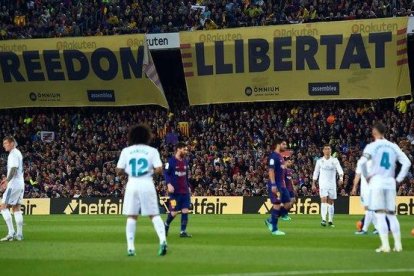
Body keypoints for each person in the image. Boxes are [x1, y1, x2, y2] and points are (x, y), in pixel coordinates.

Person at [358, 122, 411, 253]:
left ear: (374, 132)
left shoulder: (372, 146)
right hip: (390, 183)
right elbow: (407, 163)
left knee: (380, 215)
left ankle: (386, 245)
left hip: (377, 182)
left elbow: (362, 162)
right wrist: (398, 179)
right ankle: (398, 245)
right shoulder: (393, 146)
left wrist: (367, 176)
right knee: (392, 215)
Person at [116, 125, 167, 256]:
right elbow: (160, 169)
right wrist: (150, 171)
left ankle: (131, 248)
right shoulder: (152, 151)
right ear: (147, 136)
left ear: (131, 136)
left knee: (132, 216)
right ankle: (162, 240)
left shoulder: (126, 151)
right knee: (154, 215)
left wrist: (126, 171)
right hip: (147, 183)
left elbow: (119, 171)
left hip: (132, 184)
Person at [264, 138, 293, 236]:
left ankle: (270, 220)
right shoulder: (273, 156)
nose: (285, 146)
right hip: (276, 184)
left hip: (282, 185)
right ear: (278, 144)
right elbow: (271, 171)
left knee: (288, 204)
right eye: (284, 144)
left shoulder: (281, 156)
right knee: (276, 205)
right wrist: (273, 184)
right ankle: (274, 230)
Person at [164, 142, 192, 238]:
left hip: (184, 192)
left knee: (185, 210)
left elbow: (186, 176)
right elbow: (166, 173)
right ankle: (166, 224)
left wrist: (188, 186)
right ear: (178, 149)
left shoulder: (185, 161)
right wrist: (168, 184)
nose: (185, 151)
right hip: (174, 193)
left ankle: (182, 231)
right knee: (174, 212)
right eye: (184, 149)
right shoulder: (170, 161)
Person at [312, 144, 344, 227]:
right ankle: (323, 219)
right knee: (323, 199)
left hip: (332, 184)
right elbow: (316, 172)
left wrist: (341, 178)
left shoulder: (335, 160)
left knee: (331, 202)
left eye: (328, 149)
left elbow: (340, 170)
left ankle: (330, 220)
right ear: (323, 151)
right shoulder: (319, 161)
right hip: (322, 183)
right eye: (325, 149)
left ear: (331, 150)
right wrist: (313, 183)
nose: (327, 150)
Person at [0, 136, 24, 242]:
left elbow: (13, 168)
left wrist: (7, 180)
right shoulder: (18, 153)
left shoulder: (13, 154)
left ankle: (11, 232)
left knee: (3, 207)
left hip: (13, 185)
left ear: (12, 143)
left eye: (6, 143)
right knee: (16, 208)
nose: (4, 145)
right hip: (20, 184)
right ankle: (19, 234)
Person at [351, 160, 378, 235]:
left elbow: (357, 175)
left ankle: (364, 229)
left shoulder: (361, 161)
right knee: (372, 209)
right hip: (374, 189)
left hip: (366, 190)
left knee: (368, 209)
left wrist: (354, 187)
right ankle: (378, 228)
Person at [281, 156, 295, 221]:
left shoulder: (290, 170)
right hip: (286, 189)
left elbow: (290, 179)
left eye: (290, 162)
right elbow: (282, 179)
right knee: (288, 203)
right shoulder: (283, 169)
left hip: (290, 189)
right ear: (285, 162)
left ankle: (284, 214)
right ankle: (284, 215)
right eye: (289, 162)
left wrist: (293, 186)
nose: (290, 163)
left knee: (293, 201)